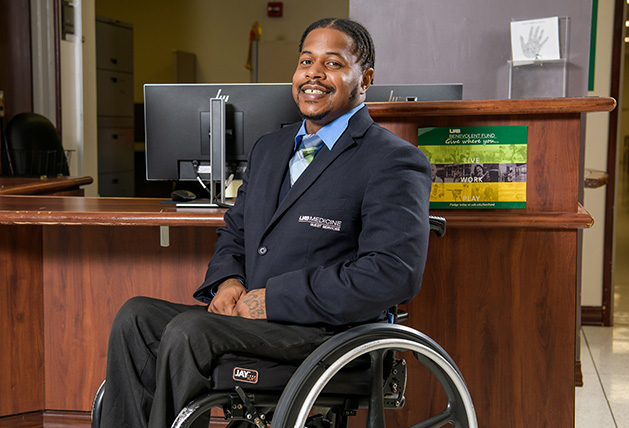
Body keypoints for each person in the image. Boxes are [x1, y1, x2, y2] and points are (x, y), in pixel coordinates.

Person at [101, 17, 432, 428]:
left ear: (364, 79)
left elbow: (391, 275)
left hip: (324, 333)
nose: (313, 73)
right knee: (135, 317)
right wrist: (228, 280)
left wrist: (274, 299)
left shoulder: (393, 160)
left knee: (190, 331)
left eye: (332, 63)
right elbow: (236, 231)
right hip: (256, 323)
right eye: (306, 61)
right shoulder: (271, 148)